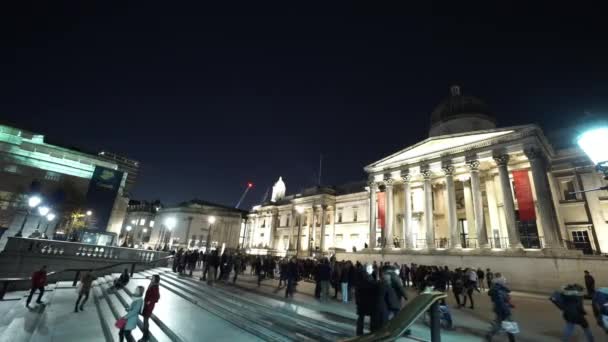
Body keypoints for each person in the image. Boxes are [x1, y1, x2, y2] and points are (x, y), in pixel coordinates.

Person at [485, 273, 516, 342]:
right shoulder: (499, 291)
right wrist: (507, 307)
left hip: (500, 309)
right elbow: (500, 302)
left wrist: (509, 304)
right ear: (501, 283)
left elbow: (503, 300)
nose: (506, 283)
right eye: (504, 282)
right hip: (503, 310)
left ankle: (490, 334)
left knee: (499, 323)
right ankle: (512, 339)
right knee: (508, 324)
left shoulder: (499, 290)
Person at [139, 275, 160, 342]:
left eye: (153, 278)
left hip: (149, 306)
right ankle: (145, 335)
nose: (152, 278)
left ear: (155, 279)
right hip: (146, 305)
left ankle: (145, 336)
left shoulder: (155, 287)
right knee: (145, 320)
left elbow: (156, 297)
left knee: (145, 320)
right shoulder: (152, 284)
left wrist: (149, 301)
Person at [355, 264, 375, 335]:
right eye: (371, 268)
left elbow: (357, 291)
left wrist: (357, 301)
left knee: (361, 318)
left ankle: (359, 332)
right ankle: (371, 332)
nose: (372, 269)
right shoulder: (369, 278)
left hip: (361, 302)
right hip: (367, 302)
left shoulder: (361, 277)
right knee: (372, 318)